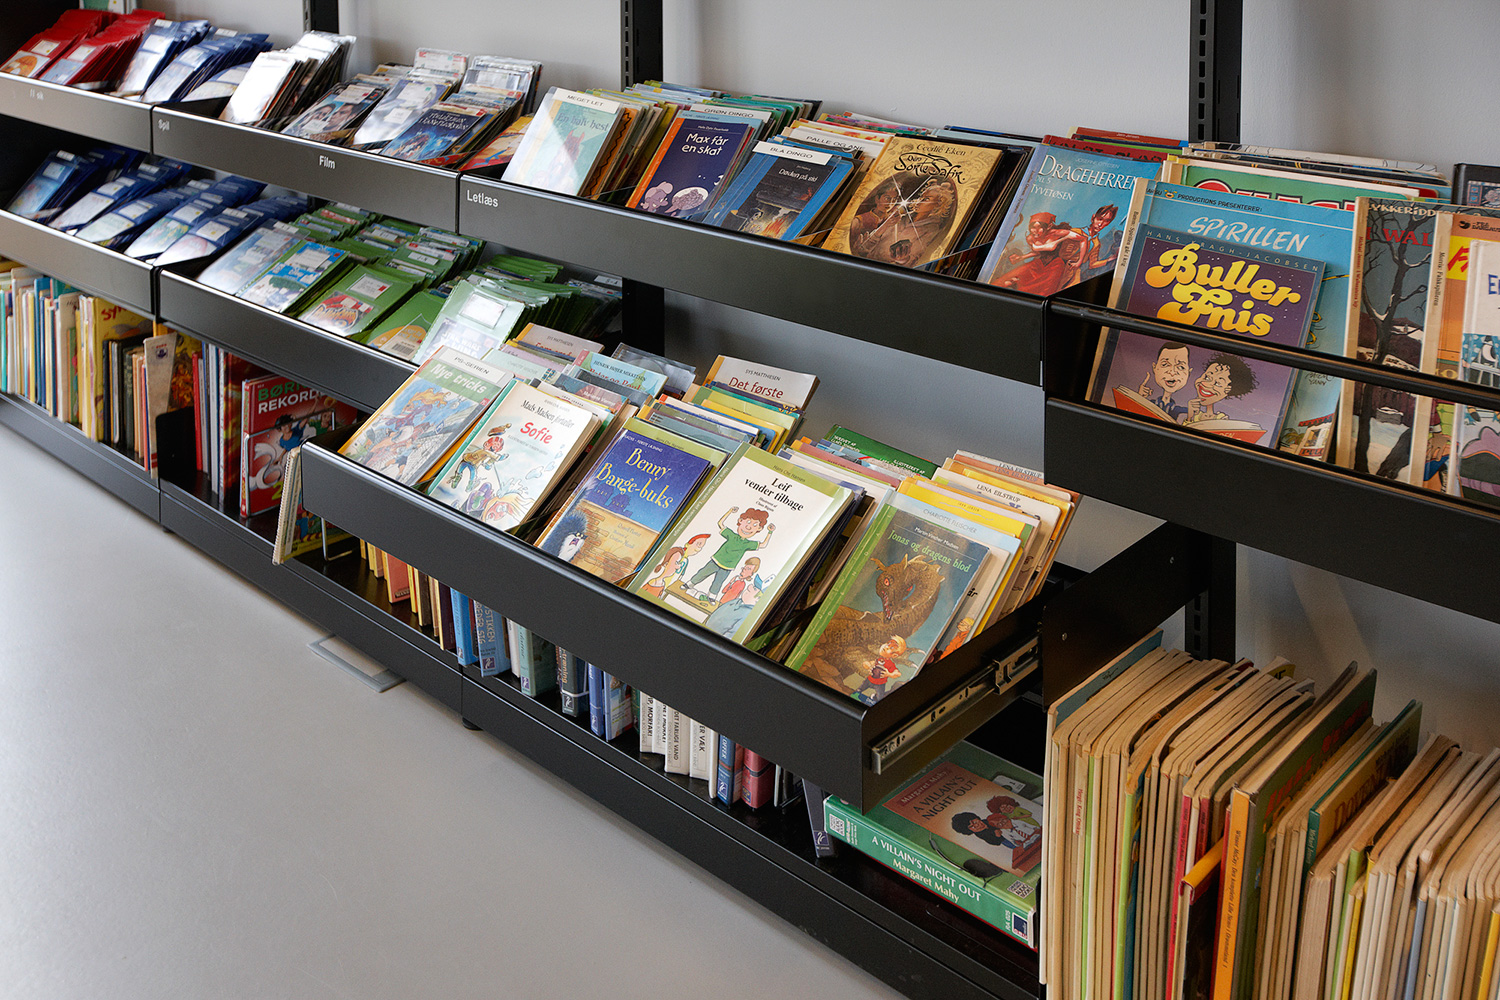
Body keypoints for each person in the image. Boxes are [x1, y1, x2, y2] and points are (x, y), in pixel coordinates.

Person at [991, 211, 1088, 295]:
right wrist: (1021, 257)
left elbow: (1083, 239)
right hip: (1039, 263)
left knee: (1045, 289)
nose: (1035, 231)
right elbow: (1037, 253)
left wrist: (1079, 261)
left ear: (1049, 227)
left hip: (1056, 264)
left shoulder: (1057, 233)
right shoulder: (1030, 238)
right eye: (1033, 227)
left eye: (1040, 227)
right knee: (1006, 279)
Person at [686, 507, 774, 599]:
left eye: (754, 525)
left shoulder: (748, 544)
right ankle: (689, 584)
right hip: (716, 560)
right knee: (703, 573)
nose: (748, 527)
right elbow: (720, 523)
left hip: (727, 567)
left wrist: (770, 532)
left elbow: (763, 545)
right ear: (740, 521)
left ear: (759, 529)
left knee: (718, 582)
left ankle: (711, 596)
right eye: (748, 522)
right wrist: (730, 511)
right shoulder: (732, 535)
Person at [1185, 352, 1258, 424]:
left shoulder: (1221, 418)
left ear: (1228, 390)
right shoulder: (1195, 414)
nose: (1206, 384)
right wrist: (1190, 417)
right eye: (1207, 377)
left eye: (1218, 384)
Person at [1138, 341, 1192, 422]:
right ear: (1154, 368)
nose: (1172, 372)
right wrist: (1139, 398)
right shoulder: (1149, 403)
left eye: (1181, 367)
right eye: (1165, 365)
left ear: (1189, 372)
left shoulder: (1184, 411)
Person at [641, 533, 708, 598]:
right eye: (698, 544)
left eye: (701, 546)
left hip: (669, 586)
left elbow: (681, 575)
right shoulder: (678, 554)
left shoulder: (685, 560)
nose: (699, 548)